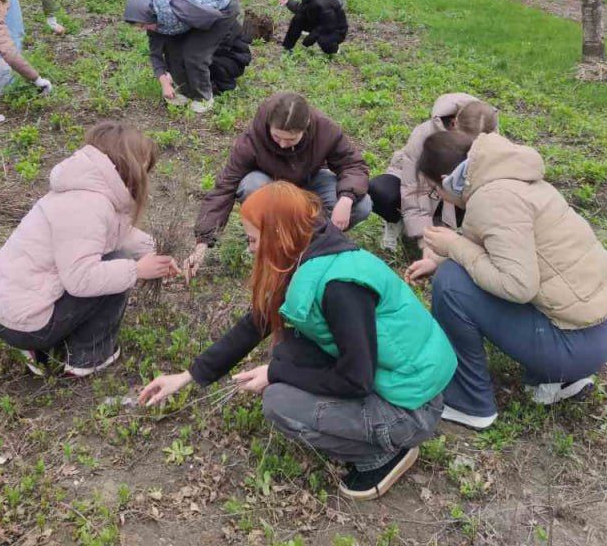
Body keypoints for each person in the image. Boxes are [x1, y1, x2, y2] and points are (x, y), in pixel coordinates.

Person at [140, 182, 456, 500]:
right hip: (399, 381)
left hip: (411, 408)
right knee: (286, 348)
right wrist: (188, 376)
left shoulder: (340, 287)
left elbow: (356, 380)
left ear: (278, 235)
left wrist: (275, 373)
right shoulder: (310, 247)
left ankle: (384, 453)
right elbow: (257, 322)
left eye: (253, 239)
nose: (250, 249)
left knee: (280, 403)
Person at [406, 129, 607, 431]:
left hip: (574, 346)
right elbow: (505, 249)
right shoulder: (511, 177)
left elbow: (518, 285)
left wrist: (454, 247)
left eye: (434, 191)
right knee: (453, 269)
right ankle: (556, 382)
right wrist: (439, 258)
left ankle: (468, 403)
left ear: (445, 180)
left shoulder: (492, 200)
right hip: (602, 330)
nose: (439, 198)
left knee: (452, 282)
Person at [0, 122, 180, 377]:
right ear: (127, 164)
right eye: (144, 167)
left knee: (115, 262)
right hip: (25, 323)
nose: (145, 175)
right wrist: (136, 270)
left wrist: (154, 252)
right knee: (117, 264)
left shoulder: (86, 187)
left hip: (10, 310)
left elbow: (118, 233)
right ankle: (88, 358)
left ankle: (40, 348)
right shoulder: (88, 204)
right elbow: (80, 279)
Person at [185, 92, 372, 276]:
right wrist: (203, 242)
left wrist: (346, 199)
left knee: (361, 205)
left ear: (306, 126)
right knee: (250, 185)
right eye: (276, 137)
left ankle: (310, 243)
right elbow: (225, 187)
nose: (282, 144)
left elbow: (353, 165)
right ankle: (269, 240)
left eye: (291, 139)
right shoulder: (252, 139)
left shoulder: (325, 129)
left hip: (312, 182)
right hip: (272, 186)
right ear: (269, 125)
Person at [368, 95, 499, 253]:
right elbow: (413, 187)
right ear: (454, 123)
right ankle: (395, 221)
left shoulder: (493, 142)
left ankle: (447, 227)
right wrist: (423, 239)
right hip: (419, 183)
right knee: (382, 191)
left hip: (452, 191)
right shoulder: (424, 135)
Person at [123, 0, 241, 113]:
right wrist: (164, 83)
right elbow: (155, 53)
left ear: (150, 16)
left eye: (143, 25)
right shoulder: (151, 16)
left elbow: (210, 18)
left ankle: (204, 97)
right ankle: (186, 91)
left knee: (194, 54)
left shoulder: (176, 7)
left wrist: (201, 42)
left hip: (220, 10)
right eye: (140, 27)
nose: (143, 29)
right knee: (173, 51)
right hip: (191, 16)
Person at [279, 0, 348, 56]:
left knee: (323, 40)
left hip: (337, 30)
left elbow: (328, 26)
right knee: (298, 18)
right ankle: (288, 47)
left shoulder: (322, 1)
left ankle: (335, 50)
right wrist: (288, 2)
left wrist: (310, 39)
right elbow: (303, 9)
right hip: (321, 23)